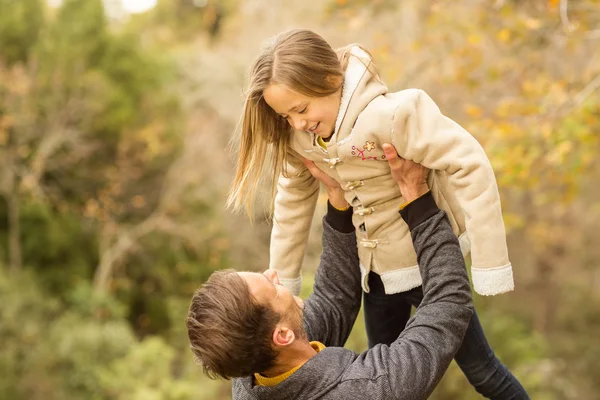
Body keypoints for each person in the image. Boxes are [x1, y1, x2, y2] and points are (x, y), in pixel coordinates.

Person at [227, 29, 529, 398]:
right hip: (374, 274)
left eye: (301, 109)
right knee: (386, 371)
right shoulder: (301, 138)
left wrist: (489, 264)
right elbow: (291, 200)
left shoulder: (393, 115)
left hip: (427, 263)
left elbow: (469, 162)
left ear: (331, 80)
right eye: (285, 115)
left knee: (483, 371)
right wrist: (285, 285)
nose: (296, 123)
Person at [187, 149, 473, 399]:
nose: (274, 273)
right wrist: (417, 198)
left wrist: (339, 202)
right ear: (283, 335)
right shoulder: (369, 391)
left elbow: (333, 300)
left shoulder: (253, 364)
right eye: (272, 288)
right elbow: (448, 303)